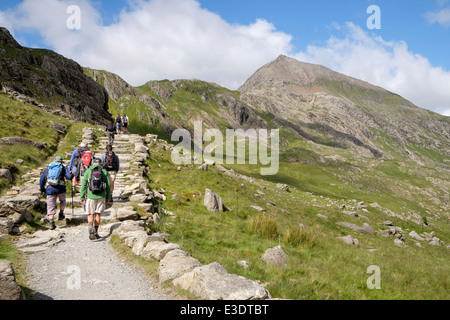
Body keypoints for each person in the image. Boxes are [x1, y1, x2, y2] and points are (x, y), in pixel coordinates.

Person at [80, 157, 111, 240]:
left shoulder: (88, 171)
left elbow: (83, 185)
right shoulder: (104, 171)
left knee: (90, 213)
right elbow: (108, 185)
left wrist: (82, 196)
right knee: (98, 214)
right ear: (100, 163)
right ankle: (96, 232)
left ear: (93, 163)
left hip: (90, 196)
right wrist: (108, 196)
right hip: (101, 196)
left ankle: (90, 225)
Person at [39, 156, 74, 230]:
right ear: (61, 162)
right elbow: (69, 177)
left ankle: (51, 222)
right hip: (61, 188)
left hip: (50, 189)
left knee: (50, 205)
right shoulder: (62, 167)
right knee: (62, 200)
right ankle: (61, 214)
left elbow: (42, 179)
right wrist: (72, 174)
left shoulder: (48, 167)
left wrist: (42, 189)